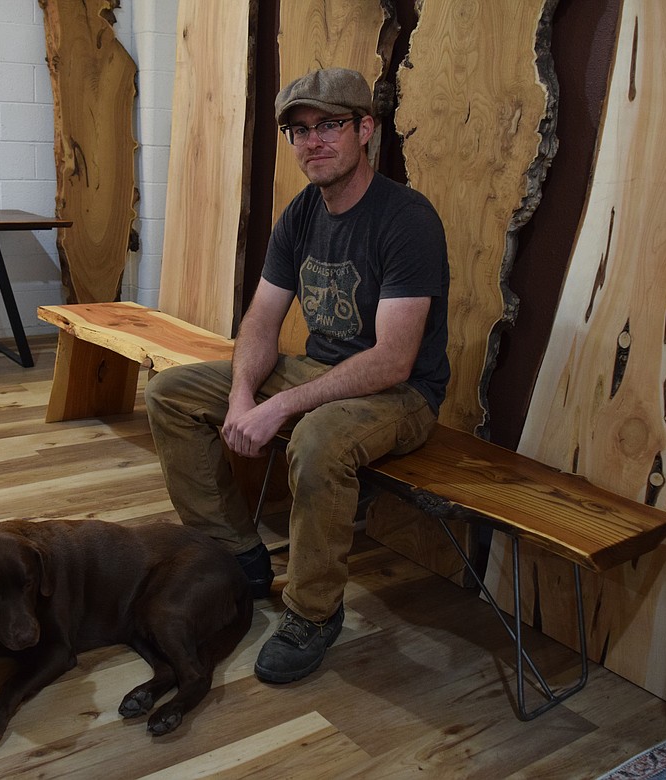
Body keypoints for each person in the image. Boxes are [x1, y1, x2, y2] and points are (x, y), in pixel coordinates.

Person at [145, 67, 450, 684]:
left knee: (316, 440)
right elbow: (260, 319)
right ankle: (238, 553)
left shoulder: (406, 218)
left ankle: (313, 613)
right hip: (320, 370)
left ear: (365, 129)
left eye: (330, 125)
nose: (313, 142)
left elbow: (393, 358)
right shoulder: (303, 213)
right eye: (299, 129)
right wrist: (240, 396)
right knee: (171, 394)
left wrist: (279, 407)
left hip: (400, 394)